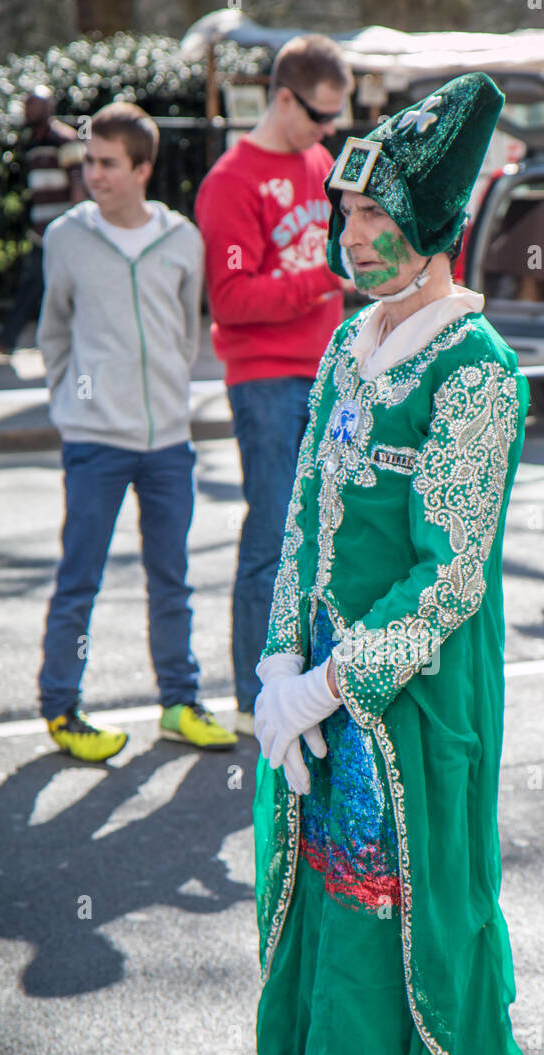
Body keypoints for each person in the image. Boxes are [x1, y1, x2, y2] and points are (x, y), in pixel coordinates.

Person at [250, 72, 529, 1055]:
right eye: (341, 208)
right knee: (335, 915)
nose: (346, 235)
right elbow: (305, 508)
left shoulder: (477, 372)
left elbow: (448, 580)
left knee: (428, 926)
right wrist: (272, 657)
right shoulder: (347, 343)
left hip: (413, 710)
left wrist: (326, 683)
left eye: (371, 215)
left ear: (431, 226)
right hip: (320, 686)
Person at [36, 102, 236, 762]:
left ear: (143, 169)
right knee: (80, 579)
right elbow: (55, 331)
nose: (93, 173)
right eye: (90, 161)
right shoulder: (66, 237)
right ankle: (62, 708)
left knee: (171, 578)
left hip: (167, 442)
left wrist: (169, 394)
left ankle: (179, 703)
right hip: (94, 440)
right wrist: (73, 399)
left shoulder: (181, 239)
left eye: (108, 164)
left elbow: (185, 329)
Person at [195, 36, 353, 737]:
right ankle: (248, 700)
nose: (329, 131)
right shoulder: (231, 180)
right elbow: (229, 299)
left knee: (327, 537)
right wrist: (324, 279)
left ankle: (303, 690)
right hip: (265, 381)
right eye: (319, 115)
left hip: (326, 372)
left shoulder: (317, 160)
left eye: (335, 118)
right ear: (283, 97)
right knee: (270, 540)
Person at [0, 86, 84, 356]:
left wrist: (78, 224)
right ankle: (9, 338)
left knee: (47, 283)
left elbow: (79, 181)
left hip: (62, 229)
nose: (27, 110)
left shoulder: (64, 139)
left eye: (33, 105)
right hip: (42, 230)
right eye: (26, 105)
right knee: (36, 283)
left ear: (48, 108)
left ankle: (10, 338)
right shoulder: (35, 143)